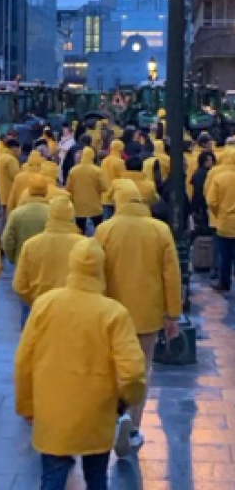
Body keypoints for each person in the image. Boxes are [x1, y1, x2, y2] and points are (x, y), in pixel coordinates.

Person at [14, 239, 146, 489]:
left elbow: (23, 360)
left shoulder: (45, 304)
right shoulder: (114, 313)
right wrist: (126, 400)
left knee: (52, 478)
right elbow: (133, 373)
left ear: (71, 266)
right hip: (96, 413)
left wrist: (27, 406)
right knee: (96, 479)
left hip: (52, 413)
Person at [95, 182, 181, 452]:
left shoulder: (104, 230)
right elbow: (171, 274)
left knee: (113, 368)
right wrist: (173, 314)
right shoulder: (159, 229)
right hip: (148, 314)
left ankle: (114, 414)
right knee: (141, 369)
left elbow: (96, 273)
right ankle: (132, 425)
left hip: (112, 314)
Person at [13, 195, 83, 307]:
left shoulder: (30, 245)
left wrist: (35, 302)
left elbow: (19, 285)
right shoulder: (83, 245)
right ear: (71, 216)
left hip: (39, 304)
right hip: (73, 308)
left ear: (49, 215)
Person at [2, 175, 50, 265]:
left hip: (22, 260)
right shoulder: (52, 213)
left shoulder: (16, 214)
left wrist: (14, 258)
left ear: (29, 191)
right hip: (46, 263)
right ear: (46, 191)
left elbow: (7, 239)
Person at [206, 150, 235, 293]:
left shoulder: (219, 178)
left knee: (225, 256)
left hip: (225, 223)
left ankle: (224, 283)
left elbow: (211, 201)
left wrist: (218, 214)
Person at [66, 146, 108, 234]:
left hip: (79, 206)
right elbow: (105, 187)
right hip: (95, 205)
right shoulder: (97, 170)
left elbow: (68, 189)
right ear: (92, 156)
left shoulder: (73, 170)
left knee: (80, 230)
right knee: (99, 229)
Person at [0, 137, 21, 229]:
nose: (19, 151)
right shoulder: (11, 160)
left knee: (3, 219)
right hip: (10, 194)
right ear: (14, 148)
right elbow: (18, 177)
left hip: (2, 193)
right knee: (9, 221)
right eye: (19, 148)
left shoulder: (1, 157)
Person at [191, 151, 217, 236]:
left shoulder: (198, 172)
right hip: (202, 205)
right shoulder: (204, 174)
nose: (211, 162)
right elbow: (199, 191)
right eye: (208, 160)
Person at [100, 139, 126, 220]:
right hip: (116, 196)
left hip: (105, 195)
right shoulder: (120, 162)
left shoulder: (104, 161)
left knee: (106, 221)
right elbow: (123, 179)